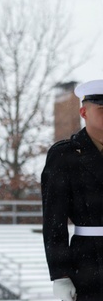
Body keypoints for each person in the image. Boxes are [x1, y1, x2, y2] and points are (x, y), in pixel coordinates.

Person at [42, 79, 103, 301]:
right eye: (102, 109)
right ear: (84, 112)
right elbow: (53, 221)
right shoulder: (64, 155)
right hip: (88, 261)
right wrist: (60, 275)